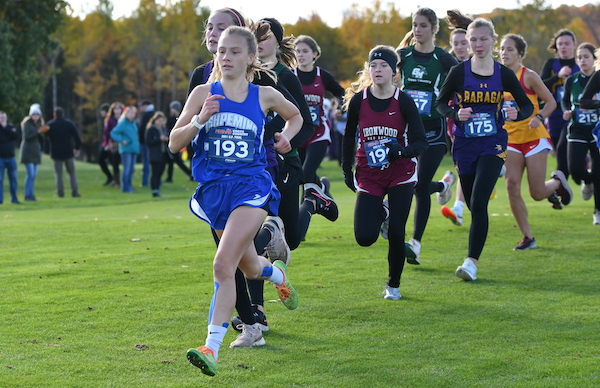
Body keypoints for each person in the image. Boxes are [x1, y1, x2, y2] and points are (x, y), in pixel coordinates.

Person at [170, 25, 301, 376]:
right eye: (221, 51)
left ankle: (210, 348)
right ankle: (276, 274)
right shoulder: (202, 93)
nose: (225, 57)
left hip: (251, 187)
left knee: (221, 265)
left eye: (234, 52)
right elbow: (174, 143)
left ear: (250, 58)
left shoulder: (264, 95)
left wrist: (286, 137)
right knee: (250, 267)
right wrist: (200, 120)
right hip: (215, 190)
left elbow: (296, 115)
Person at [227, 16, 315, 347]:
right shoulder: (236, 77)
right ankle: (257, 312)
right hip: (250, 169)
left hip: (285, 162)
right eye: (256, 36)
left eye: (267, 37)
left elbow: (304, 121)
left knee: (290, 238)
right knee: (250, 237)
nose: (261, 42)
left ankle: (312, 204)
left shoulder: (283, 78)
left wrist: (288, 141)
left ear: (278, 42)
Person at [436, 17, 534, 281]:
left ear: (493, 40)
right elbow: (440, 104)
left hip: (494, 143)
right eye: (473, 40)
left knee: (479, 201)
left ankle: (471, 263)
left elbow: (527, 106)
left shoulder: (504, 74)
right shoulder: (458, 72)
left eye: (483, 39)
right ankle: (471, 258)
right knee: (473, 205)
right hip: (465, 145)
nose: (478, 44)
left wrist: (515, 112)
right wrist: (456, 114)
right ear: (468, 43)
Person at [342, 45, 428, 300]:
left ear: (394, 71)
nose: (377, 70)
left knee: (396, 232)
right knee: (364, 237)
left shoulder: (404, 101)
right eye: (374, 65)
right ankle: (384, 210)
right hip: (369, 173)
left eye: (383, 66)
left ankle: (394, 285)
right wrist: (347, 171)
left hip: (400, 173)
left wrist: (399, 151)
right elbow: (348, 138)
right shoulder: (360, 100)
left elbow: (421, 142)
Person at [396, 8, 459, 264]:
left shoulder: (443, 59)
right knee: (407, 185)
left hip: (433, 129)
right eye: (415, 25)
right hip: (406, 129)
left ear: (434, 29)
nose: (418, 30)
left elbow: (464, 82)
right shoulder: (402, 56)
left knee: (420, 187)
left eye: (423, 25)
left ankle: (416, 243)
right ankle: (443, 186)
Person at [500, 34, 572, 250]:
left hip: (534, 137)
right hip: (510, 139)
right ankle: (528, 237)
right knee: (511, 184)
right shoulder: (495, 77)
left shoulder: (528, 76)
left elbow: (550, 102)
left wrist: (539, 118)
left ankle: (557, 182)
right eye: (502, 49)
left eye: (510, 49)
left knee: (537, 193)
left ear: (520, 54)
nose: (505, 53)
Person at [294, 34, 345, 241]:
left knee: (305, 174)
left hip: (318, 133)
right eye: (297, 51)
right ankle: (322, 188)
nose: (300, 55)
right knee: (302, 176)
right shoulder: (290, 75)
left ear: (315, 54)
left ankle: (299, 228)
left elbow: (340, 92)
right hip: (297, 134)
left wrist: (340, 105)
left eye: (305, 51)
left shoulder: (322, 76)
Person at [441, 11, 471, 226]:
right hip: (456, 121)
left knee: (473, 166)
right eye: (456, 44)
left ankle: (448, 183)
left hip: (485, 124)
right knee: (465, 163)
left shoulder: (484, 65)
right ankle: (458, 207)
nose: (460, 47)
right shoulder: (449, 68)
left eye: (464, 43)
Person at [565, 43, 600, 225]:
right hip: (578, 128)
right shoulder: (573, 80)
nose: (582, 60)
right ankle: (588, 181)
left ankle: (598, 211)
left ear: (594, 59)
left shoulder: (597, 76)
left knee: (599, 171)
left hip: (597, 130)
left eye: (586, 56)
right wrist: (566, 111)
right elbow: (566, 101)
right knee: (575, 170)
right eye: (579, 57)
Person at [541, 29, 578, 182]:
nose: (564, 47)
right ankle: (565, 179)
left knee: (563, 146)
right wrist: (558, 76)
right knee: (558, 150)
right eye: (560, 44)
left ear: (574, 45)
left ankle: (560, 183)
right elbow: (540, 86)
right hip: (554, 113)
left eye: (567, 44)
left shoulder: (580, 63)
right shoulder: (552, 64)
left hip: (573, 113)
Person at [44, 107, 82, 198]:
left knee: (58, 174)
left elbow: (44, 138)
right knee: (71, 172)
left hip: (56, 152)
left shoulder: (50, 124)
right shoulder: (68, 124)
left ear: (54, 115)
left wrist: (45, 150)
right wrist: (77, 148)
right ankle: (74, 191)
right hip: (68, 151)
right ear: (63, 114)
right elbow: (77, 137)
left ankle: (60, 193)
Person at [110, 106, 140, 193]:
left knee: (131, 169)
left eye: (133, 113)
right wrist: (121, 141)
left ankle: (129, 186)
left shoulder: (134, 123)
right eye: (130, 112)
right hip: (126, 149)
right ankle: (125, 187)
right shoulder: (123, 123)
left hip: (134, 148)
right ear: (126, 114)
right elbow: (113, 133)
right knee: (126, 169)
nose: (132, 114)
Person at [20, 103, 44, 202]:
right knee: (30, 175)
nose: (36, 116)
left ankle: (31, 194)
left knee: (33, 176)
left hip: (35, 153)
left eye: (37, 114)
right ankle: (27, 195)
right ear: (31, 115)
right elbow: (27, 137)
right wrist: (38, 132)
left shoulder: (37, 125)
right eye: (34, 114)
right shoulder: (27, 124)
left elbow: (40, 140)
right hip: (28, 152)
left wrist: (42, 150)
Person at [165, 100, 192, 182]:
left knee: (180, 160)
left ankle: (190, 174)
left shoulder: (182, 118)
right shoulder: (170, 118)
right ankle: (170, 177)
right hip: (172, 140)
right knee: (172, 160)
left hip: (183, 140)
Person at [145, 111, 169, 197]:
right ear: (154, 120)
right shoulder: (151, 129)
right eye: (158, 120)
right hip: (154, 154)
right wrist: (159, 139)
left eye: (162, 120)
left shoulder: (163, 129)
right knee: (155, 173)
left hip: (163, 154)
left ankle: (157, 189)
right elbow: (148, 141)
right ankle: (154, 191)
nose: (160, 122)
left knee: (160, 172)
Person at [0, 111, 20, 204]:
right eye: (1, 118)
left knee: (13, 179)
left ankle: (14, 198)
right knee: (0, 180)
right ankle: (0, 199)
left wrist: (5, 128)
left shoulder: (11, 127)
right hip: (1, 158)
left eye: (4, 117)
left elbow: (16, 136)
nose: (2, 119)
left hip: (11, 158)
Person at [103, 102, 123, 188]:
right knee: (115, 163)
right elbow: (106, 133)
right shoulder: (110, 120)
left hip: (124, 143)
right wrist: (107, 144)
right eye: (115, 108)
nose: (117, 110)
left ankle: (125, 182)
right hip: (114, 144)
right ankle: (117, 182)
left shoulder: (124, 119)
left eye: (119, 108)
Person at [98, 102, 116, 186]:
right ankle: (111, 178)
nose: (101, 113)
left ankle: (113, 179)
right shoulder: (107, 120)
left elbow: (111, 133)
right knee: (103, 160)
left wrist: (109, 144)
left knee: (110, 162)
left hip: (110, 145)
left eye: (102, 111)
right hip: (106, 144)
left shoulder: (111, 120)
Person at [138, 99, 155, 187]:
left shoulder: (146, 115)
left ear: (145, 106)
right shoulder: (154, 113)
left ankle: (145, 182)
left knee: (146, 163)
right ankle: (156, 181)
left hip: (145, 142)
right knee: (154, 163)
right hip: (152, 143)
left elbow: (142, 129)